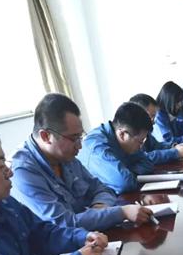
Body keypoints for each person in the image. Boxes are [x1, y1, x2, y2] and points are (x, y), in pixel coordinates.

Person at [11, 94, 153, 230]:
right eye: (74, 138)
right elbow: (63, 224)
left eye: (80, 136)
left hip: (91, 237)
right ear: (46, 136)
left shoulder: (65, 156)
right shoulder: (24, 172)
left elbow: (102, 188)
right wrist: (121, 213)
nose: (79, 146)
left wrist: (101, 206)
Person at [78, 102, 156, 194]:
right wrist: (129, 174)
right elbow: (124, 183)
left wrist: (130, 173)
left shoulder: (126, 140)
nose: (141, 147)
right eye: (140, 142)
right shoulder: (97, 147)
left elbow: (147, 163)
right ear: (122, 134)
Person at [129, 93, 183, 164]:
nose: (154, 121)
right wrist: (175, 152)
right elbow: (144, 158)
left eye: (154, 116)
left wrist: (174, 146)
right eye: (151, 116)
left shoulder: (146, 132)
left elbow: (157, 145)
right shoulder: (130, 135)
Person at [152, 81, 183, 146]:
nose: (180, 104)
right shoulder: (158, 116)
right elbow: (168, 140)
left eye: (180, 101)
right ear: (169, 100)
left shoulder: (172, 112)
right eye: (178, 101)